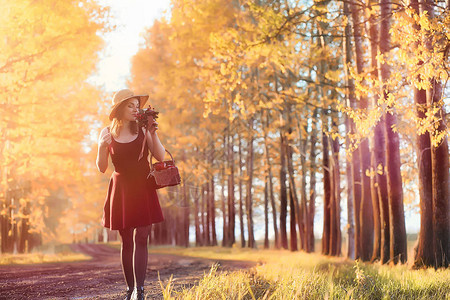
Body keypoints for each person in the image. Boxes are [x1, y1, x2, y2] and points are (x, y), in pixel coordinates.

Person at [96, 89, 165, 300]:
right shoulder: (107, 132)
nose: (136, 109)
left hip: (143, 187)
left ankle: (140, 291)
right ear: (119, 109)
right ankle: (130, 289)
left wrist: (152, 131)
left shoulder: (144, 130)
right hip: (121, 189)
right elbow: (101, 167)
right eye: (130, 106)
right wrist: (101, 146)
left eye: (137, 105)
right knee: (126, 241)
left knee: (142, 237)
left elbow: (160, 156)